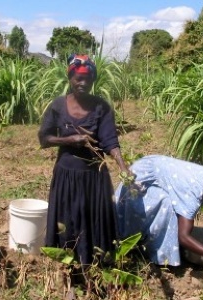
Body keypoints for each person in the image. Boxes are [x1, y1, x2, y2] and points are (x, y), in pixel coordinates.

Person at [38, 54, 130, 266]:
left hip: (94, 178)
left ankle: (94, 267)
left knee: (94, 221)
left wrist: (123, 166)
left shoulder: (101, 107)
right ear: (70, 77)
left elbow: (110, 141)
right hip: (66, 177)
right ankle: (69, 272)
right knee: (68, 222)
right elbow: (44, 139)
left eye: (88, 78)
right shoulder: (58, 106)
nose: (83, 82)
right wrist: (70, 140)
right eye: (78, 78)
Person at [114, 155, 203, 269]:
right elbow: (183, 237)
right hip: (139, 182)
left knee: (172, 211)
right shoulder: (192, 195)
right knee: (167, 208)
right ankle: (148, 251)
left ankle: (160, 247)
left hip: (151, 166)